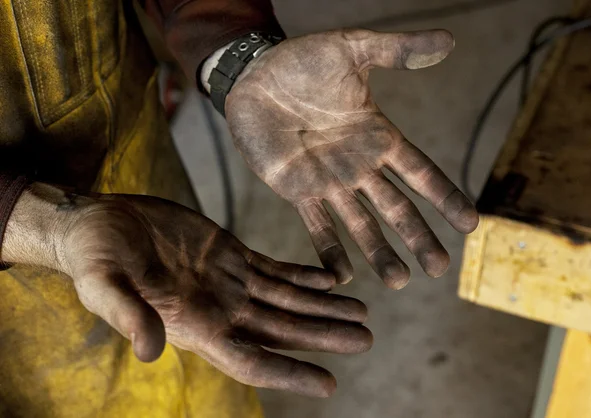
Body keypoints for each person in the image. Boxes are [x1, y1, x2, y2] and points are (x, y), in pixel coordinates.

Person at [0, 0, 479, 416]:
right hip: (16, 299)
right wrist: (44, 224)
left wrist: (232, 51)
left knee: (210, 348)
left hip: (139, 173)